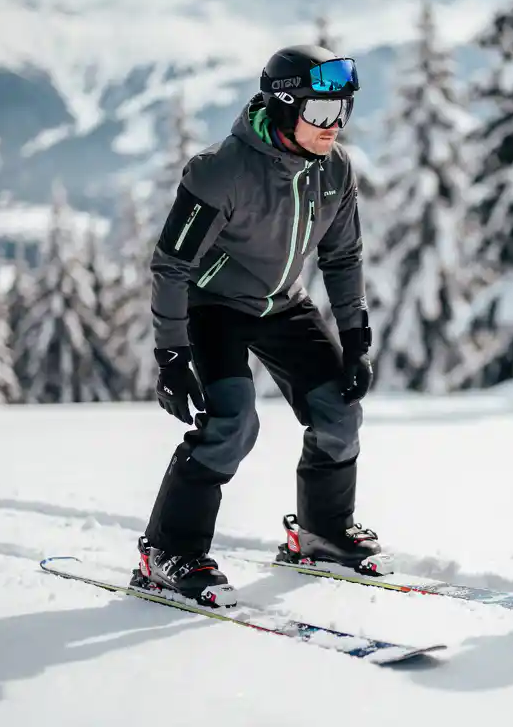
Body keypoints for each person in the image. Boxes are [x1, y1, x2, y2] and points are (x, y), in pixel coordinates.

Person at [131, 44, 382, 605]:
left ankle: (320, 533)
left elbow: (343, 258)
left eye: (342, 110)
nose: (333, 125)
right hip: (215, 307)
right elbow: (171, 265)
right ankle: (167, 552)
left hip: (283, 305)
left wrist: (356, 339)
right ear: (285, 106)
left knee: (339, 414)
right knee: (231, 425)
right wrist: (172, 356)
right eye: (320, 113)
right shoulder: (221, 171)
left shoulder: (335, 170)